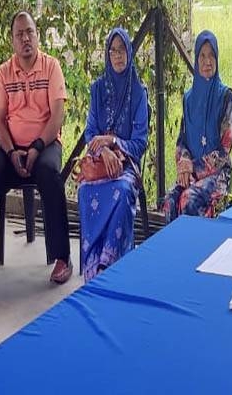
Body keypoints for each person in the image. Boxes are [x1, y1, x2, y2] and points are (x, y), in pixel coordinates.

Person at [0, 11, 71, 291]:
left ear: (37, 35)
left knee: (51, 174)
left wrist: (38, 147)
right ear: (12, 40)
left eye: (30, 32)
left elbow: (57, 117)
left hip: (45, 143)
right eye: (20, 34)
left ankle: (62, 258)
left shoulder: (52, 67)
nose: (26, 38)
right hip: (11, 146)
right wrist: (12, 151)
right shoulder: (3, 73)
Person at [77, 28, 149, 282]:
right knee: (85, 191)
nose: (117, 56)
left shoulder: (139, 92)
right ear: (108, 54)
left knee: (122, 190)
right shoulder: (98, 89)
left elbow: (140, 142)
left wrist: (114, 142)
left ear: (130, 53)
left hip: (126, 166)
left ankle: (109, 261)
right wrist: (104, 149)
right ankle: (92, 261)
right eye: (113, 50)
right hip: (100, 161)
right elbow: (90, 132)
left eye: (122, 50)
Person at [163, 31, 232, 222]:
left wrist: (194, 167)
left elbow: (224, 151)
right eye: (202, 55)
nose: (207, 61)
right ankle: (175, 252)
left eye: (211, 55)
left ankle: (195, 252)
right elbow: (182, 141)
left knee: (188, 199)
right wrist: (184, 165)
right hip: (190, 172)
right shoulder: (188, 98)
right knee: (170, 200)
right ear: (196, 59)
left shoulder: (225, 96)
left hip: (218, 174)